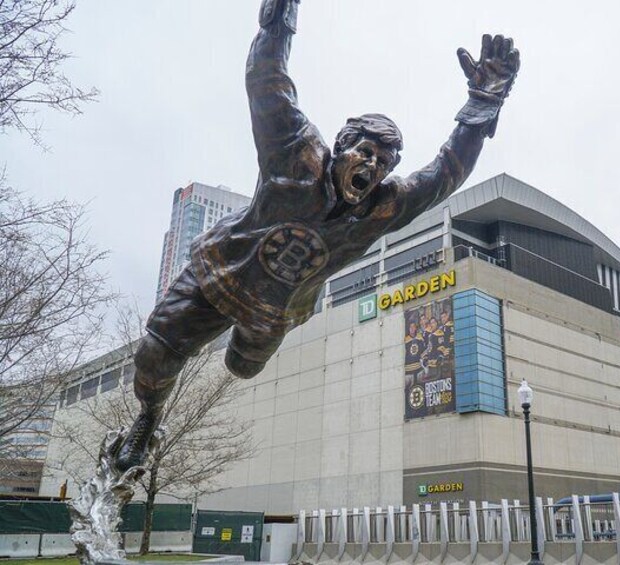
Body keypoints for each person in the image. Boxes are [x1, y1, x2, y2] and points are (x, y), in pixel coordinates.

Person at [116, 0, 520, 471]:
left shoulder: (382, 208)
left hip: (275, 310)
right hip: (221, 272)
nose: (372, 166)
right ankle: (146, 421)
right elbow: (267, 78)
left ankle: (237, 342)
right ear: (342, 148)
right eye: (366, 153)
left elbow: (446, 173)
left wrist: (483, 103)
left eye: (384, 163)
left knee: (241, 368)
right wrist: (281, 11)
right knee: (154, 356)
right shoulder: (296, 154)